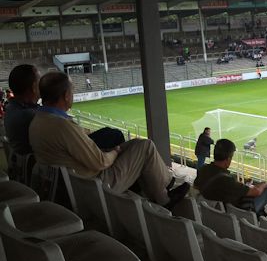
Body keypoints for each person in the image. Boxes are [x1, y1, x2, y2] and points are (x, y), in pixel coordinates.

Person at [28, 72, 188, 210]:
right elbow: (100, 162)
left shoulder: (38, 120)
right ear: (66, 96)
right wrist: (115, 151)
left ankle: (161, 191)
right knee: (145, 146)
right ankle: (165, 198)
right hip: (94, 186)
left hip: (74, 183)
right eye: (72, 91)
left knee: (133, 144)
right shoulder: (62, 126)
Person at [4, 64, 125, 155]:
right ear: (34, 87)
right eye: (39, 81)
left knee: (108, 133)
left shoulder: (13, 109)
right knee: (114, 135)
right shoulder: (33, 116)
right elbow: (67, 135)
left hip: (46, 160)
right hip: (58, 161)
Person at [194, 139, 267, 229]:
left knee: (256, 188)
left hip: (219, 211)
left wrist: (242, 186)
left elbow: (197, 185)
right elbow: (256, 192)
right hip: (238, 212)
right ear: (228, 159)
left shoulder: (204, 169)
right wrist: (264, 184)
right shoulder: (225, 180)